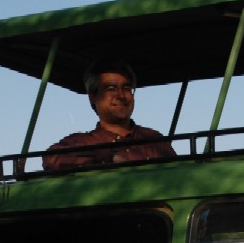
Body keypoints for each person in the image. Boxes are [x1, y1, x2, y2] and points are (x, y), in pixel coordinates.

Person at [42, 59, 176, 170]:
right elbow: (51, 159)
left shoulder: (153, 139)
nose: (121, 95)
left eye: (126, 88)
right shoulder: (81, 142)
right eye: (111, 88)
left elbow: (179, 176)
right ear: (93, 97)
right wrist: (108, 156)